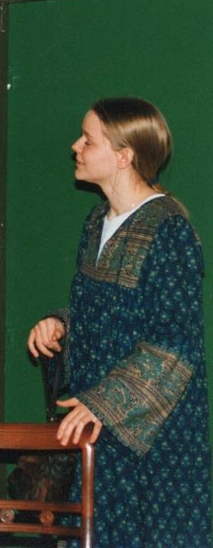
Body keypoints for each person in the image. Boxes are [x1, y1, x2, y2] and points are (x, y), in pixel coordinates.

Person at [27, 98, 211, 547]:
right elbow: (103, 310)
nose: (75, 146)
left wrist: (104, 404)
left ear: (124, 155)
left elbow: (175, 342)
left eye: (88, 140)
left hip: (155, 441)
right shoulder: (97, 222)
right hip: (101, 430)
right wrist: (60, 324)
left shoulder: (169, 229)